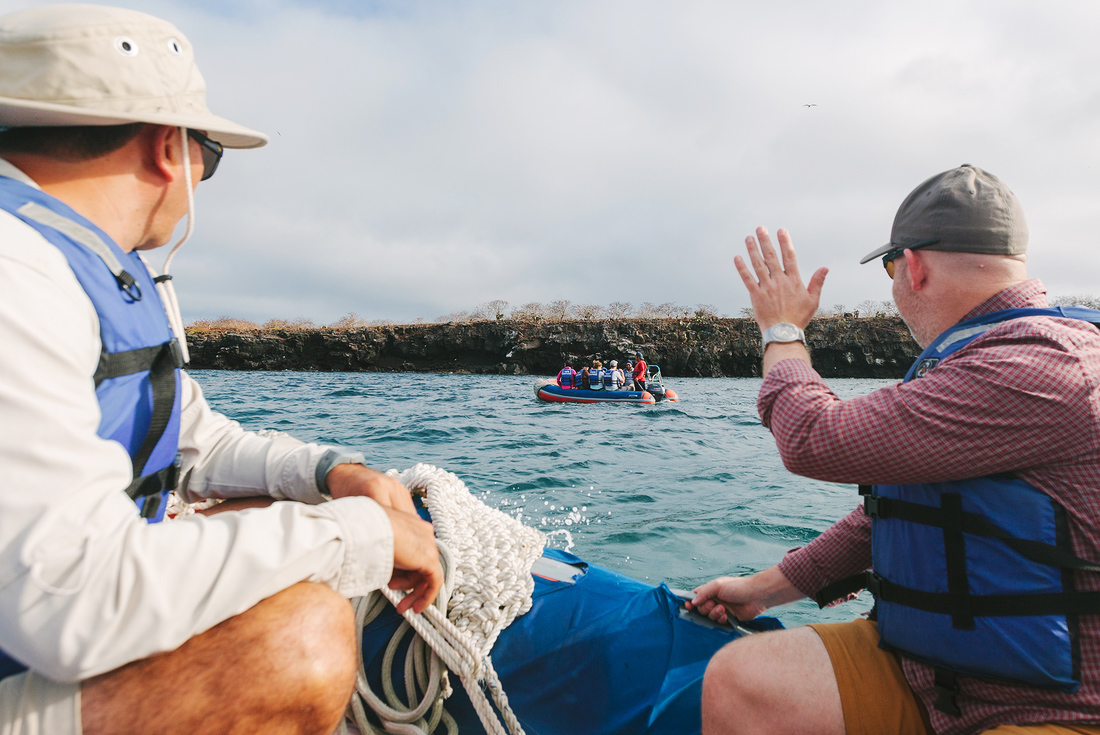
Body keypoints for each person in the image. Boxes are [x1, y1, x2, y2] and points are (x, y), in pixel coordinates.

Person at [0, 6, 442, 735]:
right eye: (210, 152)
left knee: (265, 519)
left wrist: (329, 474)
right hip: (49, 618)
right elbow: (67, 600)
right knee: (298, 638)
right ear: (167, 147)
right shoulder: (18, 272)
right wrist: (356, 535)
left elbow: (188, 434)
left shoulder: (62, 262)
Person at [687, 164, 1100, 735]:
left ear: (913, 265)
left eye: (889, 267)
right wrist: (761, 590)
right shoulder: (982, 358)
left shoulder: (1035, 366)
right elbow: (892, 513)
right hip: (930, 672)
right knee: (743, 678)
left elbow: (811, 438)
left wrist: (782, 331)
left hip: (1054, 708)